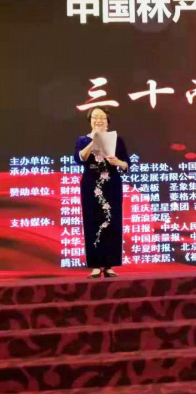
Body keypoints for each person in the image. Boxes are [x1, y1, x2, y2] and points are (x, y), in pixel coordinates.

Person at [74, 106, 130, 279]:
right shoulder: (83, 140)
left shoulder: (117, 140)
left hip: (111, 185)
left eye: (102, 117)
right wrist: (95, 140)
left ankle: (109, 265)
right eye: (95, 117)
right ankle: (96, 266)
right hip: (91, 185)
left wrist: (118, 162)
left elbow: (126, 164)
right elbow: (80, 158)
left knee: (112, 222)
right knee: (92, 222)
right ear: (90, 121)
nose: (98, 120)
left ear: (107, 121)